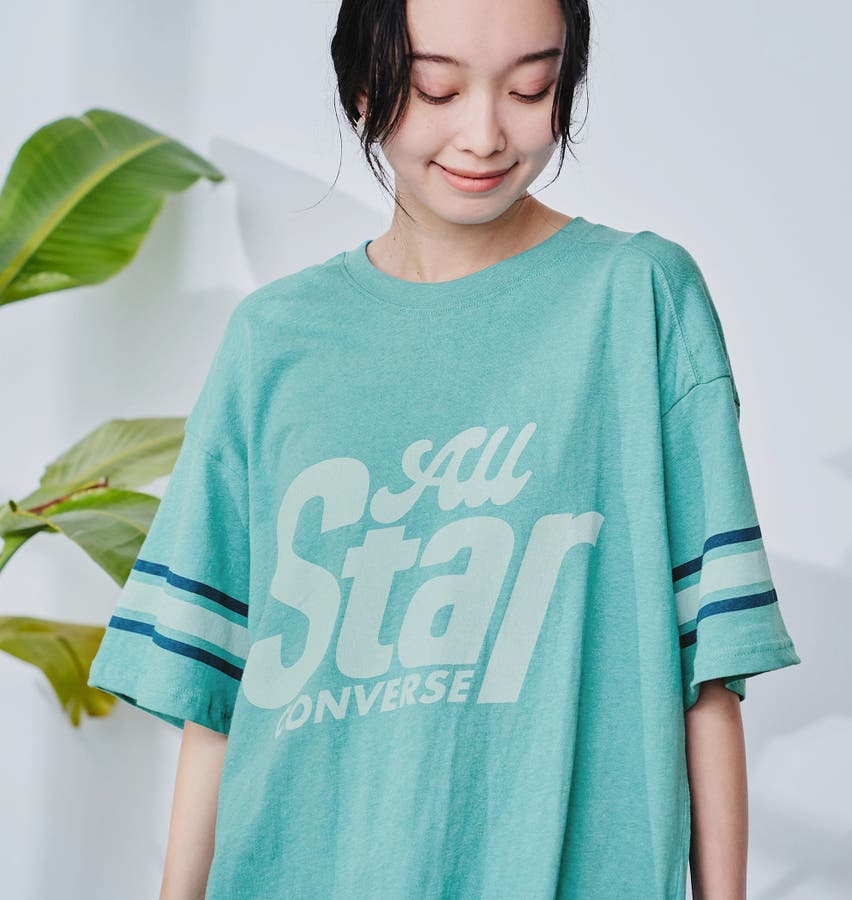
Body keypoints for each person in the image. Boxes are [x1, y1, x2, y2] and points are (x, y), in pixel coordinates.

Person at [87, 0, 802, 897]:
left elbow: (710, 674)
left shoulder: (639, 300)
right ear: (362, 87)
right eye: (437, 90)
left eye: (532, 88)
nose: (486, 134)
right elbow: (216, 696)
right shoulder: (272, 342)